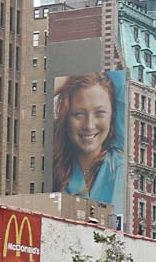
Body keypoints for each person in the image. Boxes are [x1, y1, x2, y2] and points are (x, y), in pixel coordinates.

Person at [53, 73, 125, 208]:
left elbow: (123, 78)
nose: (89, 125)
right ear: (66, 117)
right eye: (79, 114)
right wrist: (65, 79)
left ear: (113, 115)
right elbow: (32, 99)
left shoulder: (121, 162)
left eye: (99, 113)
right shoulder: (53, 166)